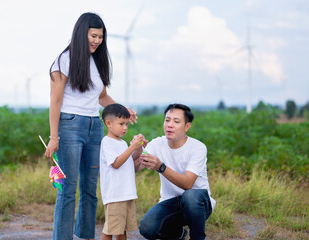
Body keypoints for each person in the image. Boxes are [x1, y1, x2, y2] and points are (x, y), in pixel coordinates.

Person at [44, 13, 137, 240]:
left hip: (94, 126)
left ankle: (85, 236)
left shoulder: (97, 61)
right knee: (67, 189)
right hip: (70, 126)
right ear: (81, 33)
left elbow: (102, 97)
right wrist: (54, 136)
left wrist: (122, 110)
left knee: (90, 189)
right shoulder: (63, 61)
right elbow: (55, 101)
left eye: (100, 37)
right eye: (93, 36)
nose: (97, 41)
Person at [138, 103, 216, 240]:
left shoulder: (198, 147)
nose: (169, 124)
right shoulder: (157, 144)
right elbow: (136, 167)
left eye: (176, 121)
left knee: (190, 196)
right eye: (167, 120)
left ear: (187, 126)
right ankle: (179, 234)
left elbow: (188, 184)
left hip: (198, 203)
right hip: (171, 203)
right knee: (146, 228)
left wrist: (161, 167)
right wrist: (136, 149)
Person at [100, 103, 147, 240]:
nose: (125, 127)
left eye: (127, 124)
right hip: (115, 194)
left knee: (122, 230)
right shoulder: (107, 141)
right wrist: (132, 147)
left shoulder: (122, 143)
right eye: (121, 124)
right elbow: (115, 163)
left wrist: (138, 149)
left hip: (126, 193)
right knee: (110, 229)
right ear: (108, 123)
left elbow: (129, 162)